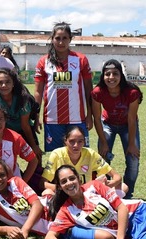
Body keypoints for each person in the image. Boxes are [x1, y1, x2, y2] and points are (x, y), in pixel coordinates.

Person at [0, 159, 114, 239]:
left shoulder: (15, 181)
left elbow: (37, 205)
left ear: (7, 175)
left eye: (2, 175)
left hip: (55, 205)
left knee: (99, 202)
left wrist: (24, 231)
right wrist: (7, 229)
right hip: (55, 226)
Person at [34, 22, 93, 153]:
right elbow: (38, 92)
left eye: (65, 38)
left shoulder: (81, 60)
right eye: (58, 38)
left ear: (70, 39)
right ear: (52, 39)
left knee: (79, 155)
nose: (61, 42)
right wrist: (36, 115)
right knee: (56, 157)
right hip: (52, 119)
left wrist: (90, 115)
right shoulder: (44, 62)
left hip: (77, 119)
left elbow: (89, 90)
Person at [92, 59, 143, 199]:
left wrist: (132, 144)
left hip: (128, 125)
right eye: (107, 74)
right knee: (103, 158)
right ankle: (105, 193)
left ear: (121, 75)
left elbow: (132, 119)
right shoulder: (97, 92)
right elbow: (96, 118)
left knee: (133, 160)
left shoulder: (132, 92)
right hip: (107, 124)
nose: (111, 77)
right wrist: (103, 141)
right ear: (103, 76)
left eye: (115, 73)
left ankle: (127, 194)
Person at [42, 125, 126, 195]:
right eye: (72, 141)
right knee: (47, 193)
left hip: (87, 194)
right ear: (65, 141)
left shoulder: (90, 154)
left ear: (84, 142)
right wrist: (65, 188)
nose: (76, 145)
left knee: (124, 187)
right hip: (65, 193)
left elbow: (117, 176)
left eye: (80, 141)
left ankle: (112, 209)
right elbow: (43, 183)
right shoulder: (56, 154)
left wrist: (109, 184)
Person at [0, 67, 42, 158]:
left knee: (36, 156)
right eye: (0, 82)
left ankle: (37, 171)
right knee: (6, 156)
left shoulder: (22, 98)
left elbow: (25, 125)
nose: (4, 85)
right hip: (5, 130)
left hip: (23, 129)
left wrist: (33, 145)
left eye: (8, 82)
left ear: (13, 83)